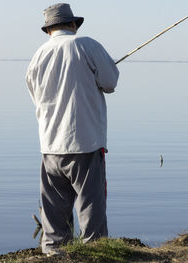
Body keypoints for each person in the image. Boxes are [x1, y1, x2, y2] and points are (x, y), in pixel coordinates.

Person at [25, 3, 119, 256]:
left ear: (48, 30)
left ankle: (54, 256)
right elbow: (110, 82)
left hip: (50, 147)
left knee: (54, 215)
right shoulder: (87, 45)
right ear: (73, 24)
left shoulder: (38, 56)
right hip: (85, 143)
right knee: (91, 210)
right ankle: (94, 255)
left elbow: (37, 98)